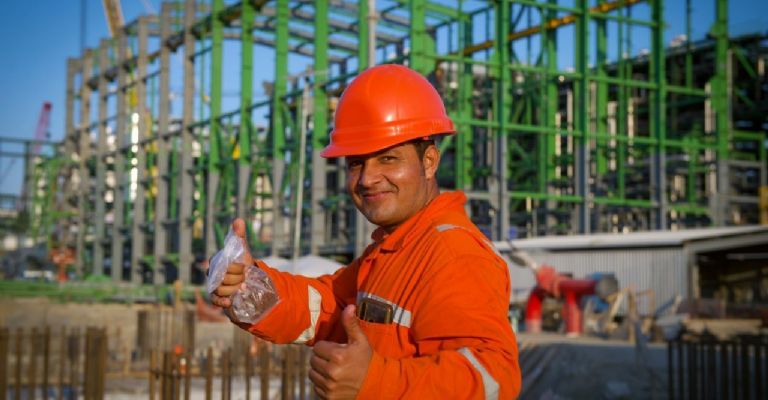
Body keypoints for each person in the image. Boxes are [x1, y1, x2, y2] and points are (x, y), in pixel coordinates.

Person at [211, 64, 521, 399]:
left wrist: (375, 381)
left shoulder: (453, 255)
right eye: (356, 163)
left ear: (429, 161)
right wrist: (249, 288)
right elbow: (327, 308)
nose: (367, 179)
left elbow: (494, 381)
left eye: (388, 159)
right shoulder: (394, 249)